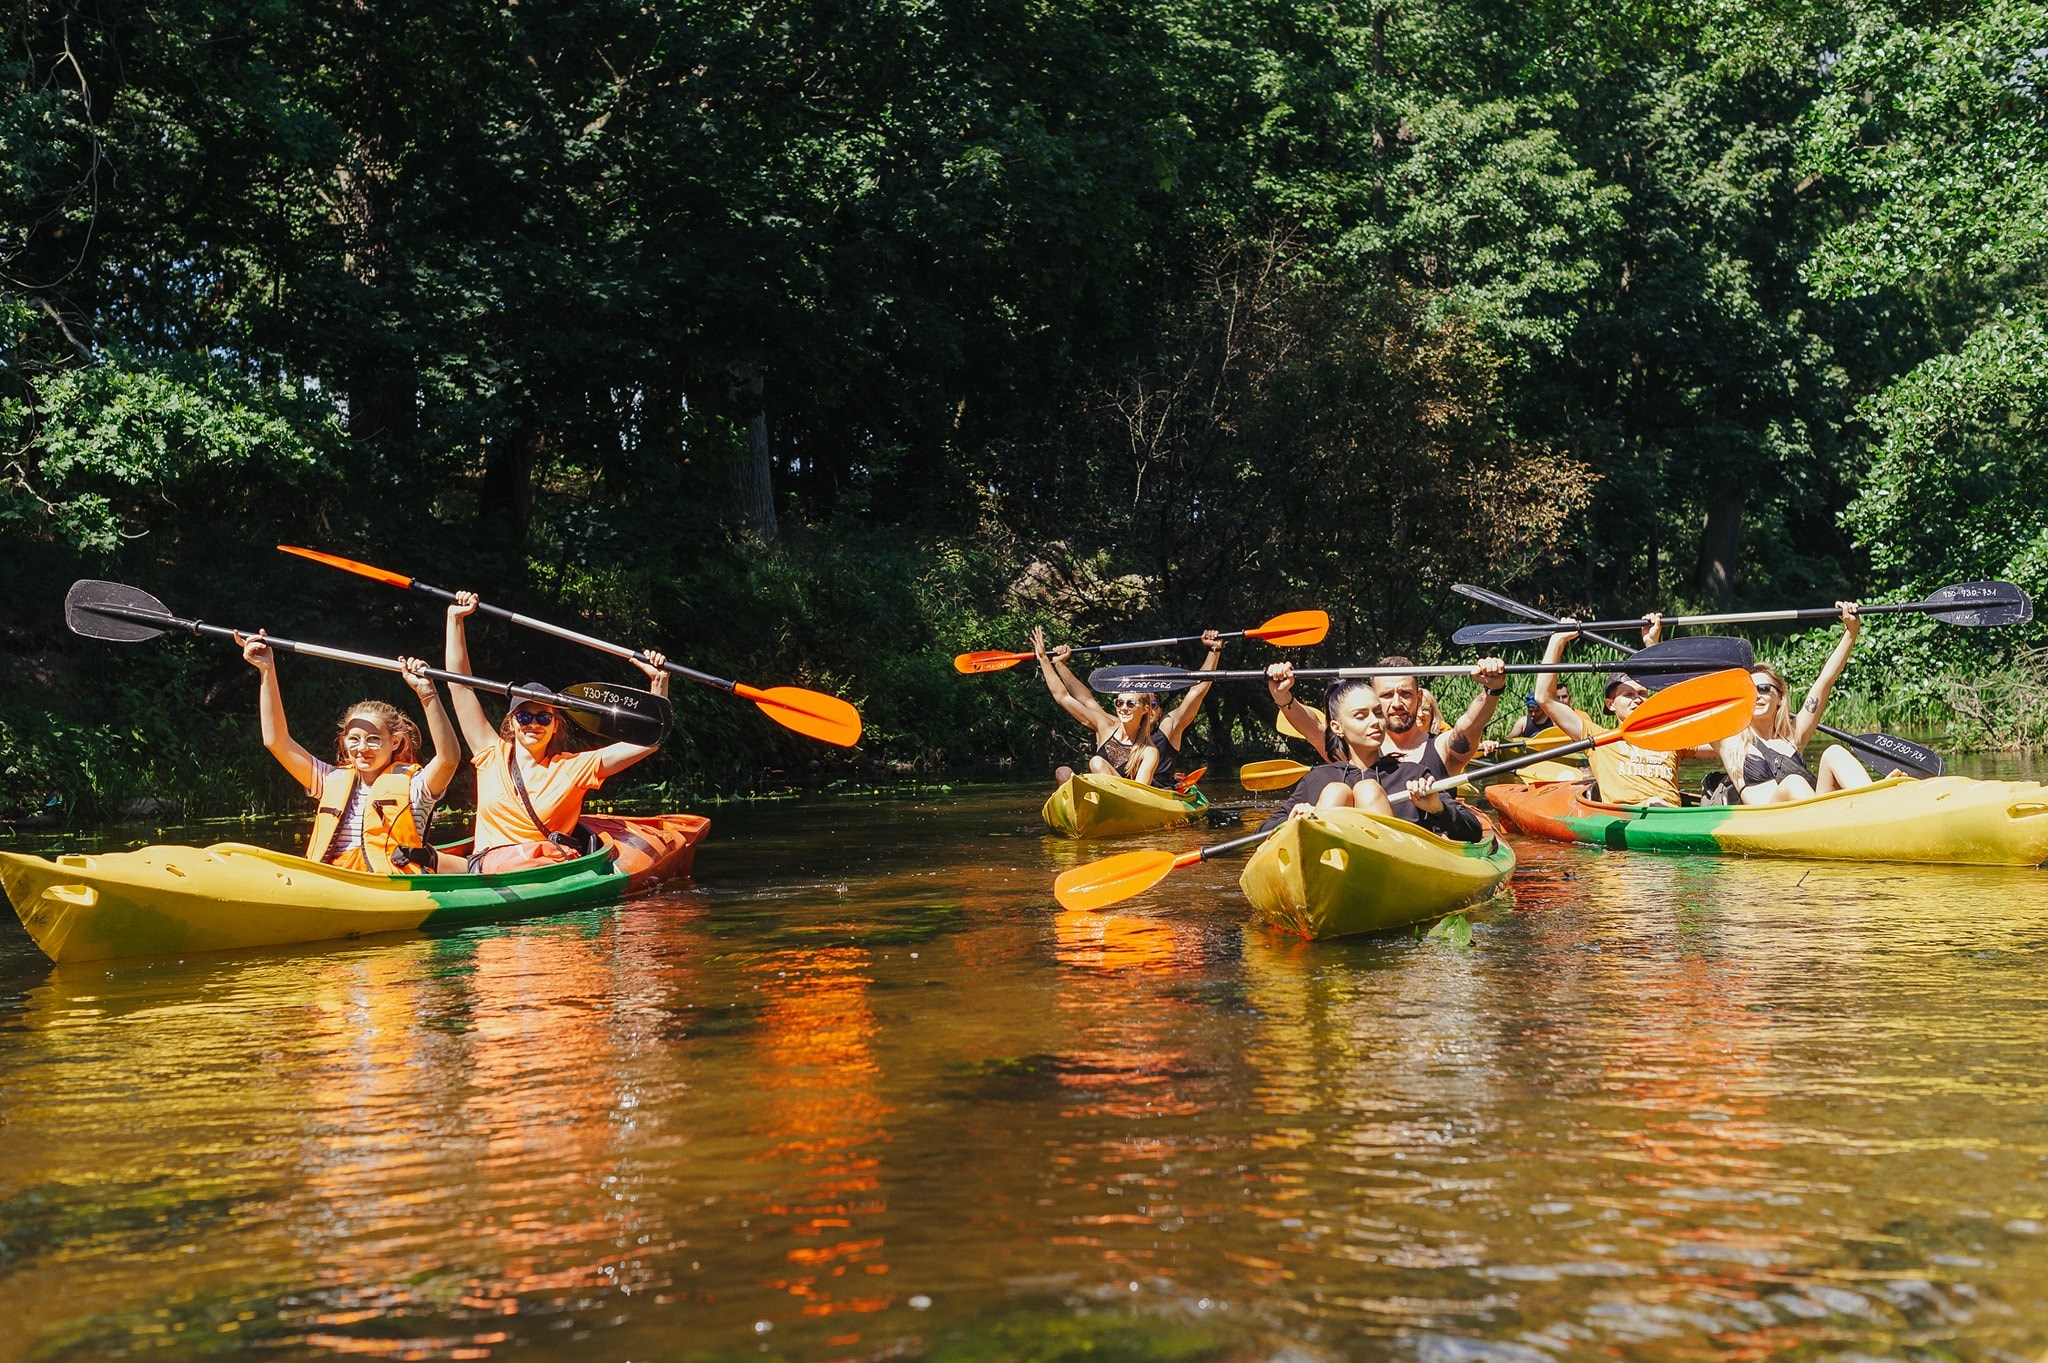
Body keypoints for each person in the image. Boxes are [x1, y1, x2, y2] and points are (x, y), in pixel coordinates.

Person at [446, 591, 672, 873]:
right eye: (525, 716)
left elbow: (649, 741)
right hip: (485, 867)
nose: (533, 724)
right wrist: (455, 620)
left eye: (543, 717)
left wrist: (658, 685)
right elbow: (459, 685)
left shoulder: (572, 769)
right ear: (511, 723)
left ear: (555, 726)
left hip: (541, 870)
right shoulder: (490, 754)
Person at [239, 631, 460, 873]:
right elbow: (276, 741)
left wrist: (427, 693)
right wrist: (267, 669)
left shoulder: (416, 787)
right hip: (334, 877)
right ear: (344, 742)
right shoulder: (328, 780)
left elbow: (449, 759)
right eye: (354, 739)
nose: (362, 748)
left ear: (395, 742)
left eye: (373, 739)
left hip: (388, 882)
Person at [1264, 663, 1489, 841]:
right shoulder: (1319, 778)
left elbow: (1473, 829)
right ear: (1337, 727)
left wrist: (1438, 808)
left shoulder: (1413, 774)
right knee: (1335, 792)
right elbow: (1263, 831)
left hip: (1394, 866)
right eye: (1361, 716)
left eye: (1378, 713)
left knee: (1368, 790)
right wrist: (1292, 822)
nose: (1375, 722)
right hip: (1329, 865)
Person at [1531, 613, 1718, 807]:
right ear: (1610, 704)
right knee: (1653, 803)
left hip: (1670, 814)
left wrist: (1652, 645)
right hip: (1630, 816)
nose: (1637, 699)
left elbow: (1722, 742)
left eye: (1642, 693)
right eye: (1628, 694)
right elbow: (1544, 697)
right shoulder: (1597, 739)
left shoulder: (1670, 738)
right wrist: (1557, 640)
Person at [1719, 603, 1876, 804]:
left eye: (1764, 688)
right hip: (1770, 818)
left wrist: (1851, 631)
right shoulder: (1730, 741)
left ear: (1779, 699)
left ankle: (1874, 800)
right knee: (1794, 782)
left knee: (1834, 752)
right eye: (1750, 690)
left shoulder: (1793, 736)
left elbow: (1825, 681)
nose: (1757, 695)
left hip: (1809, 813)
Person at [1033, 624, 1221, 787]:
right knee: (1064, 773)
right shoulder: (1109, 725)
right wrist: (1056, 664)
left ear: (1154, 710)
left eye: (1153, 704)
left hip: (1152, 793)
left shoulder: (1166, 729)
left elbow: (1197, 692)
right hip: (1113, 787)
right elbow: (1081, 699)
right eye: (1120, 702)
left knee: (1097, 763)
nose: (1125, 707)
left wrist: (1214, 650)